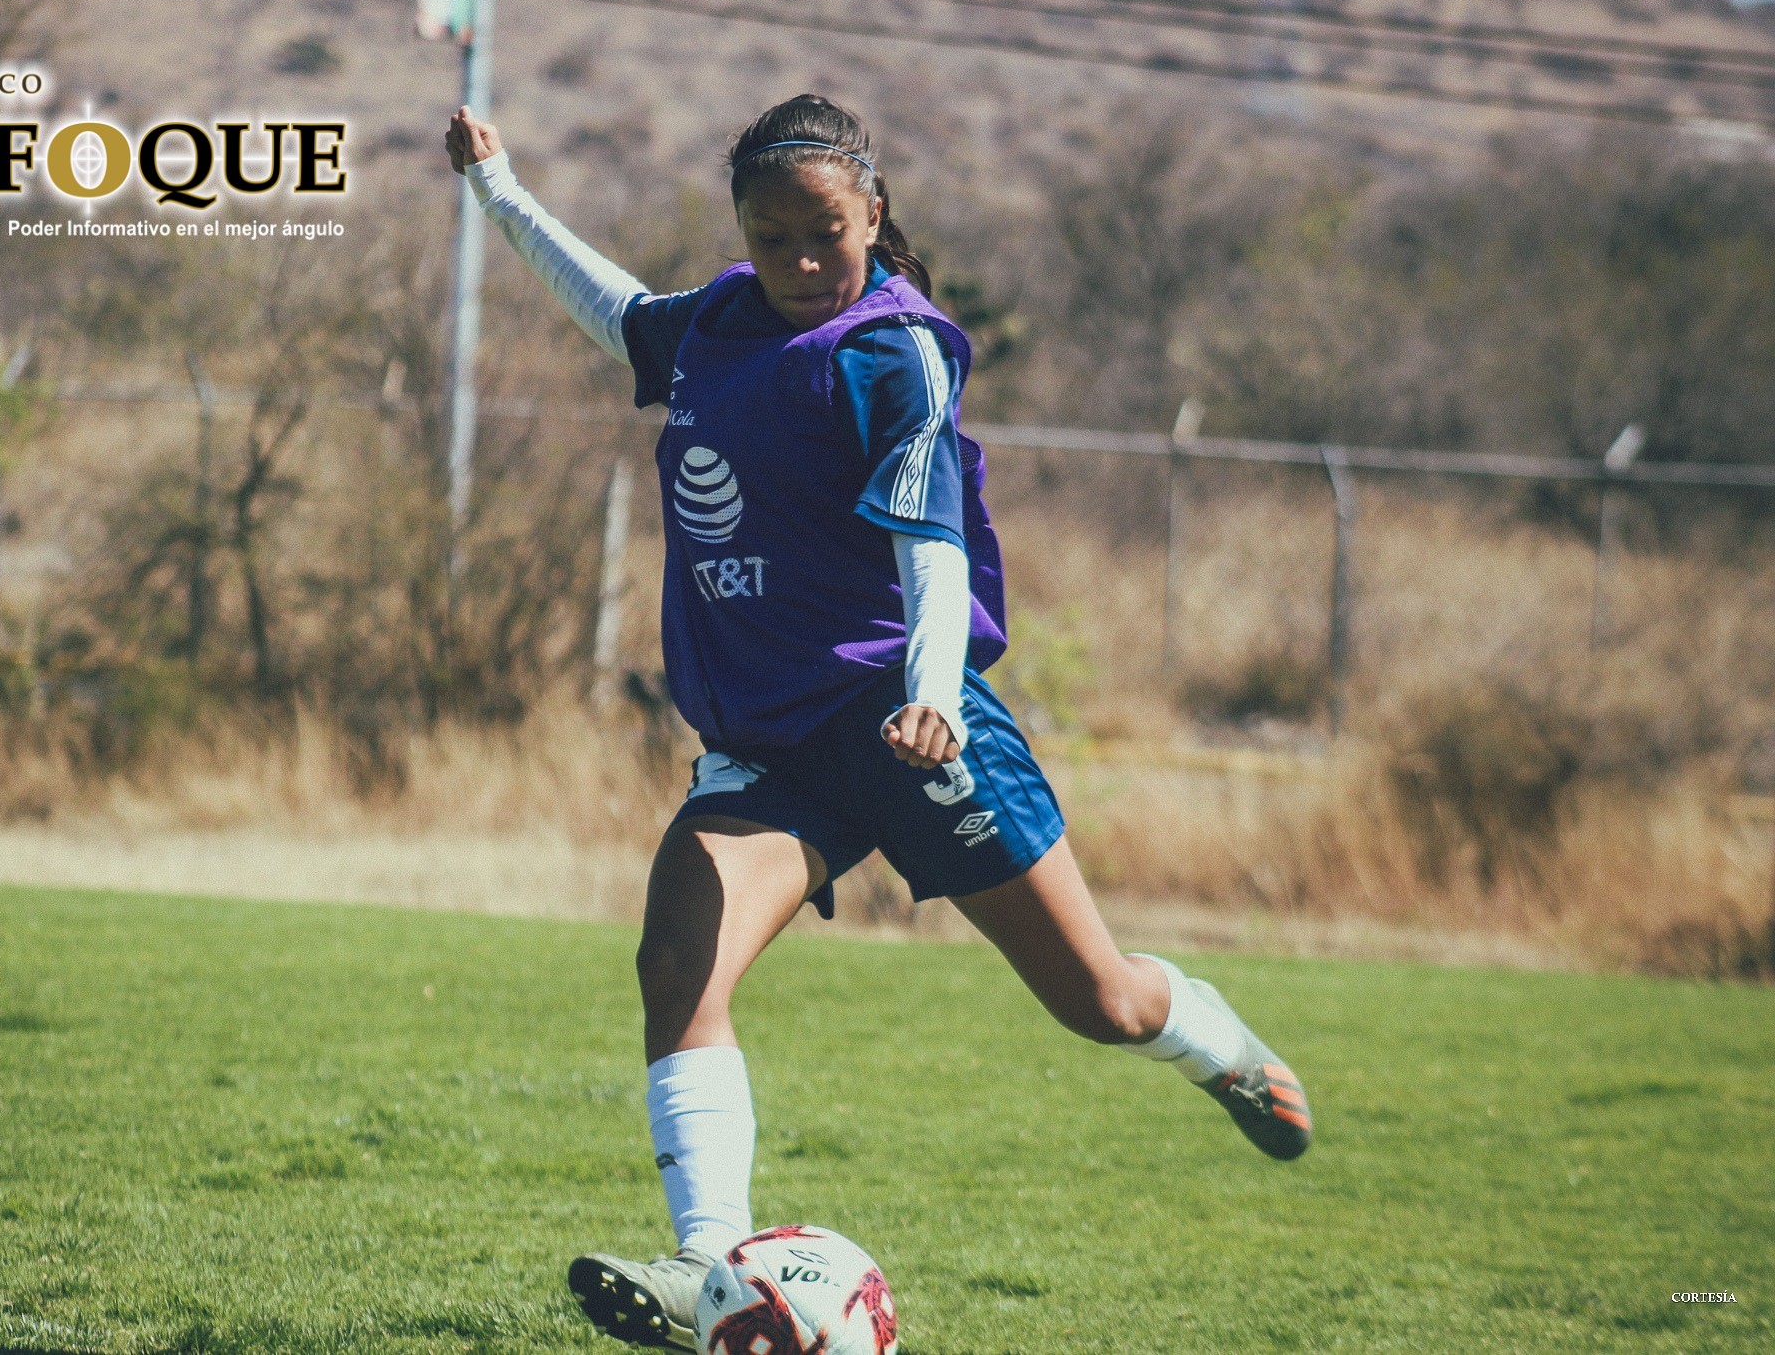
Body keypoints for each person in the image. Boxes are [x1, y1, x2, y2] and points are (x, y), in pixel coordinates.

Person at [444, 94, 1311, 1350]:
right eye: (768, 235)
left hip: (905, 720)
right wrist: (499, 189)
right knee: (676, 961)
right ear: (738, 229)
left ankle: (1220, 1048)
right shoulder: (718, 327)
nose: (799, 261)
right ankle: (705, 1270)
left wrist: (934, 693)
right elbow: (614, 313)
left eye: (823, 233)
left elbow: (934, 551)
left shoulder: (888, 350)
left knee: (1099, 1003)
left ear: (872, 213)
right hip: (770, 749)